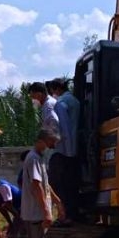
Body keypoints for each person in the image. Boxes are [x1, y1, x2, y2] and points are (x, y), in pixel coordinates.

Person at [21, 128, 65, 238]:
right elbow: (36, 186)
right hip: (36, 214)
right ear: (43, 141)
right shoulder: (33, 159)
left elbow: (45, 184)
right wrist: (46, 211)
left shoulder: (38, 158)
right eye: (51, 143)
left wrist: (56, 200)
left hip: (37, 212)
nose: (52, 147)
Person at [48, 78, 82, 222]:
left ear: (55, 89)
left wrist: (65, 150)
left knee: (60, 185)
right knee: (71, 185)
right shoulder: (75, 101)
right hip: (74, 149)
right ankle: (71, 214)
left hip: (64, 151)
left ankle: (66, 215)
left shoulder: (61, 103)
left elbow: (64, 129)